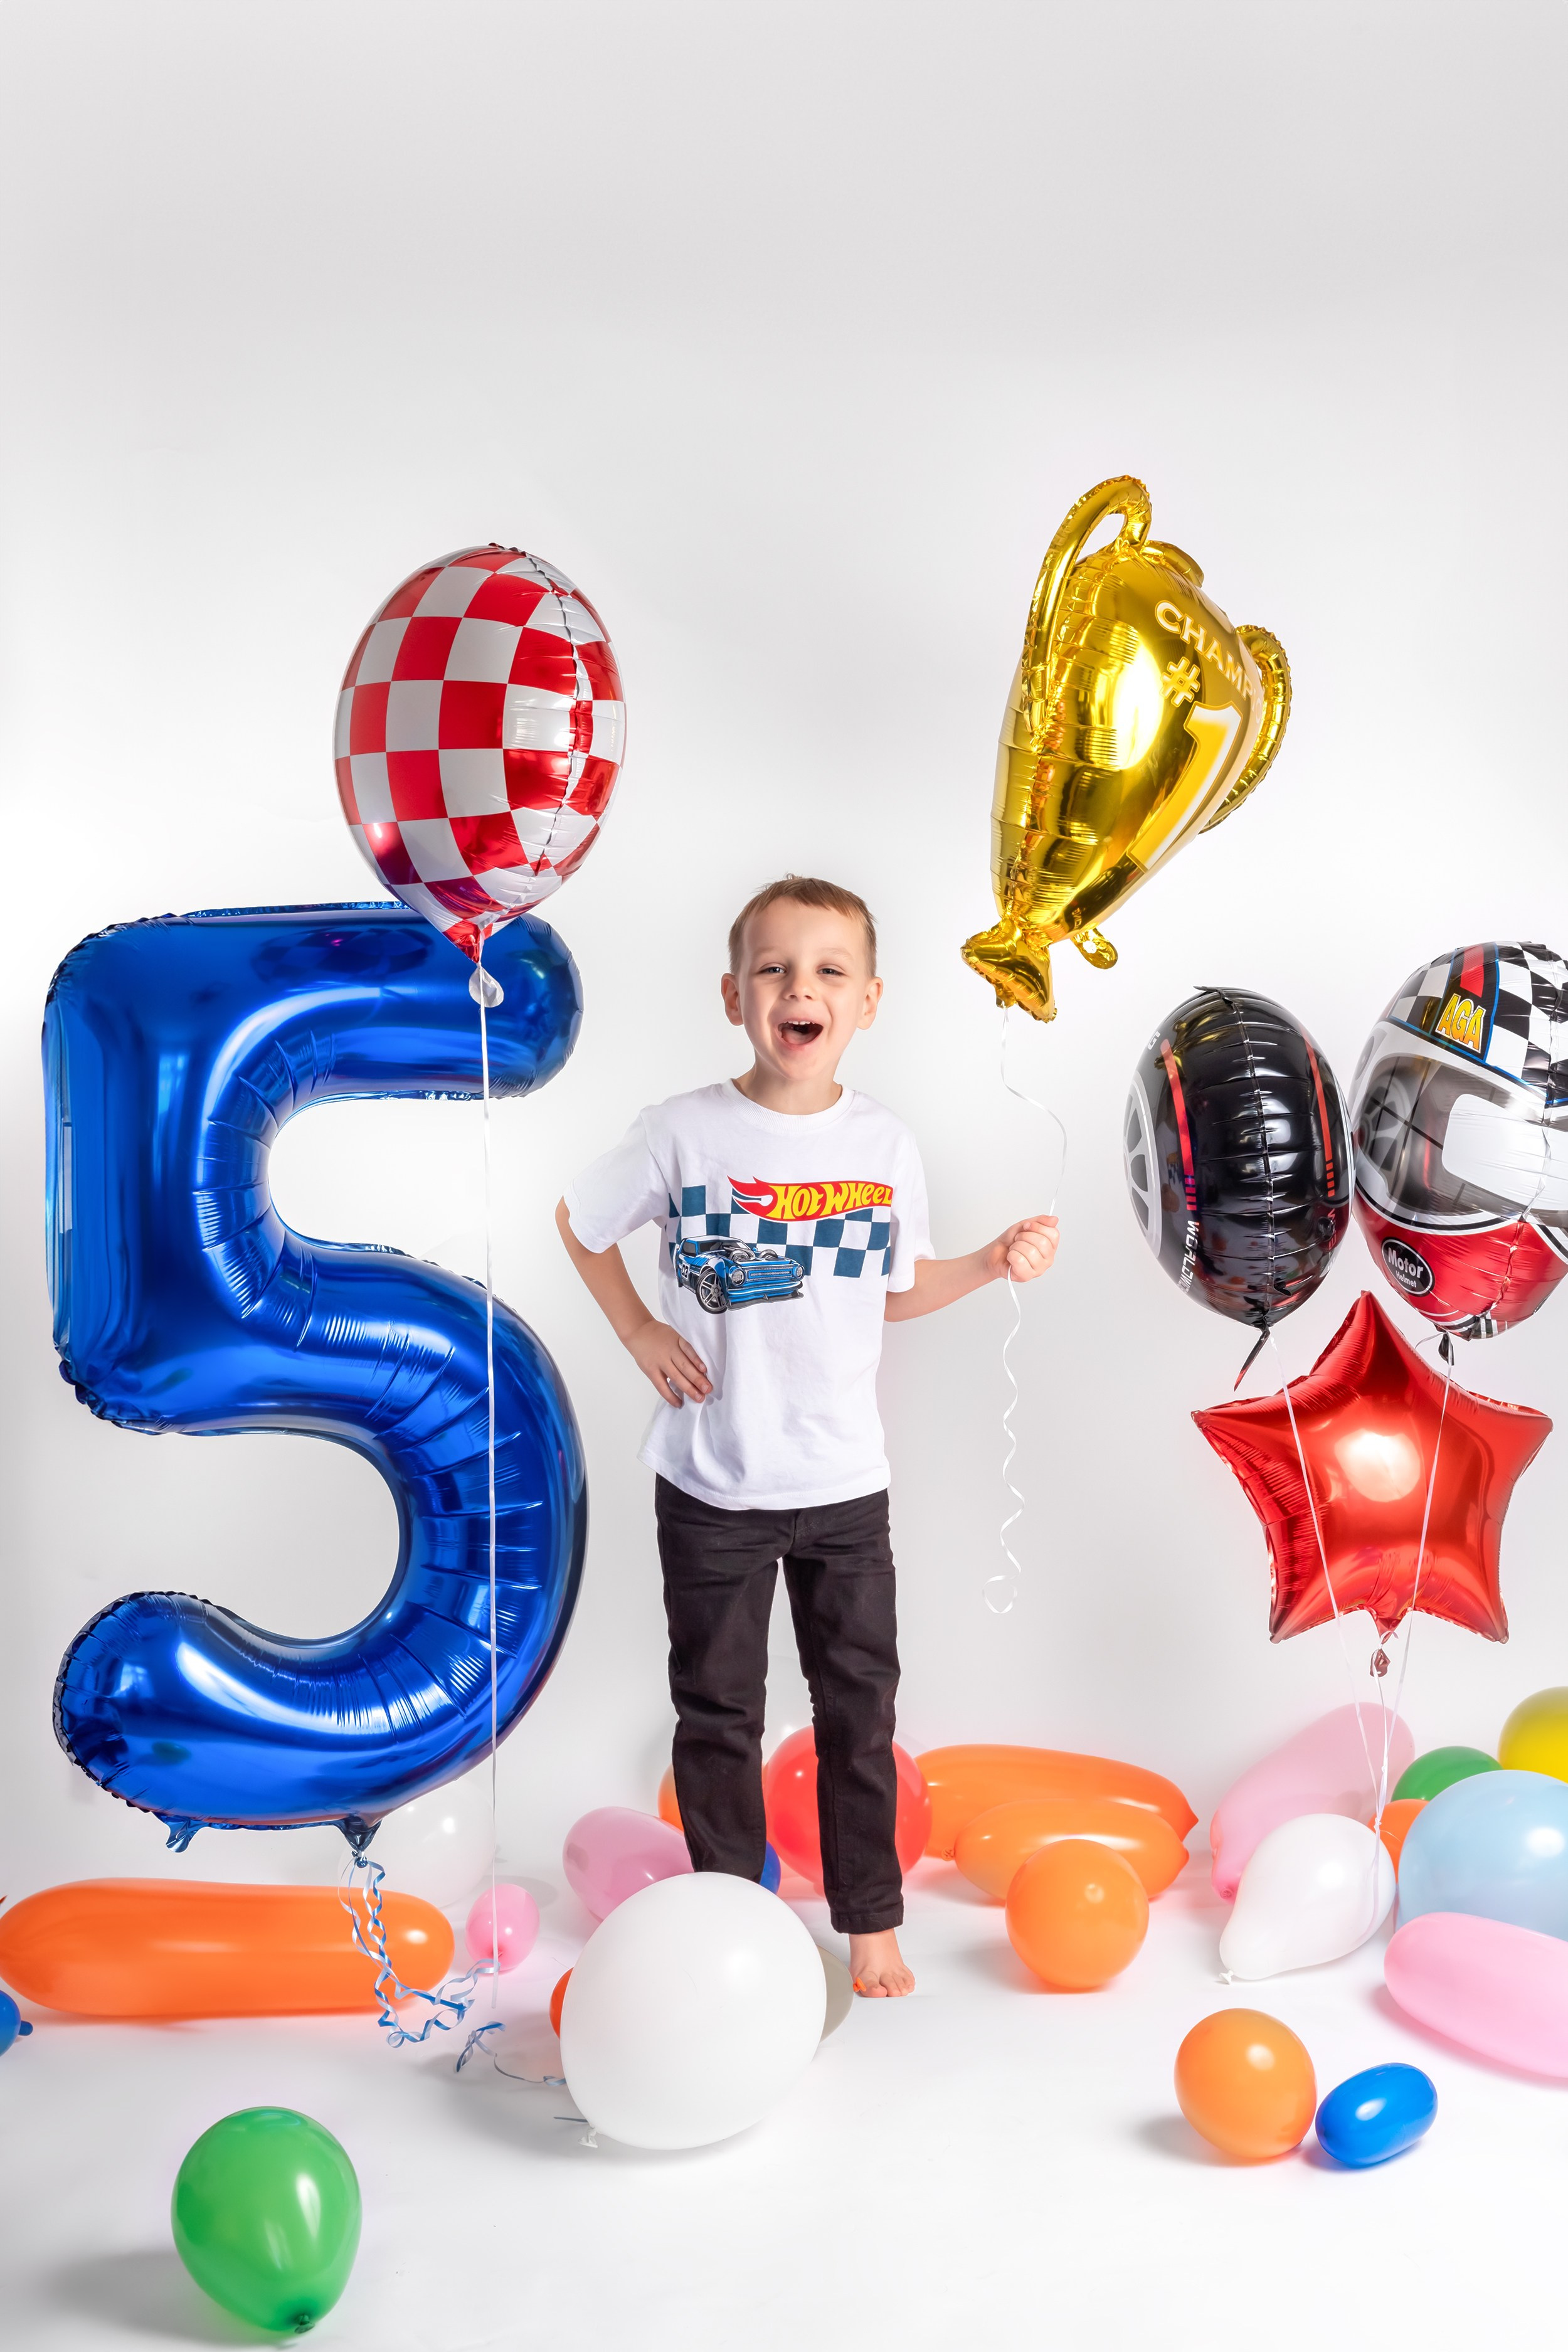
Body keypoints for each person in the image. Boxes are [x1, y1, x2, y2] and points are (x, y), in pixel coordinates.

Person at [556, 877, 1057, 1996]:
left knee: (858, 1711)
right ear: (734, 993)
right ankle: (731, 1911)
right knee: (719, 1712)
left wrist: (987, 1262)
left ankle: (868, 1917)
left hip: (843, 1486)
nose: (801, 987)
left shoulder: (884, 1141)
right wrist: (638, 1326)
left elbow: (894, 1286)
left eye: (829, 970)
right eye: (775, 968)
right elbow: (579, 1223)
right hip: (711, 1483)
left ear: (869, 1000)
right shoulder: (681, 1131)